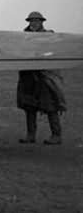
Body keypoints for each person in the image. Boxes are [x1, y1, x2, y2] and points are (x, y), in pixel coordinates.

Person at [17, 11, 66, 145]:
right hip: (28, 77)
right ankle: (30, 135)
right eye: (32, 21)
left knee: (51, 106)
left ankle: (56, 135)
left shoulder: (49, 36)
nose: (34, 23)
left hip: (44, 76)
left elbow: (53, 53)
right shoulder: (23, 37)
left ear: (42, 22)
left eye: (37, 21)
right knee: (29, 106)